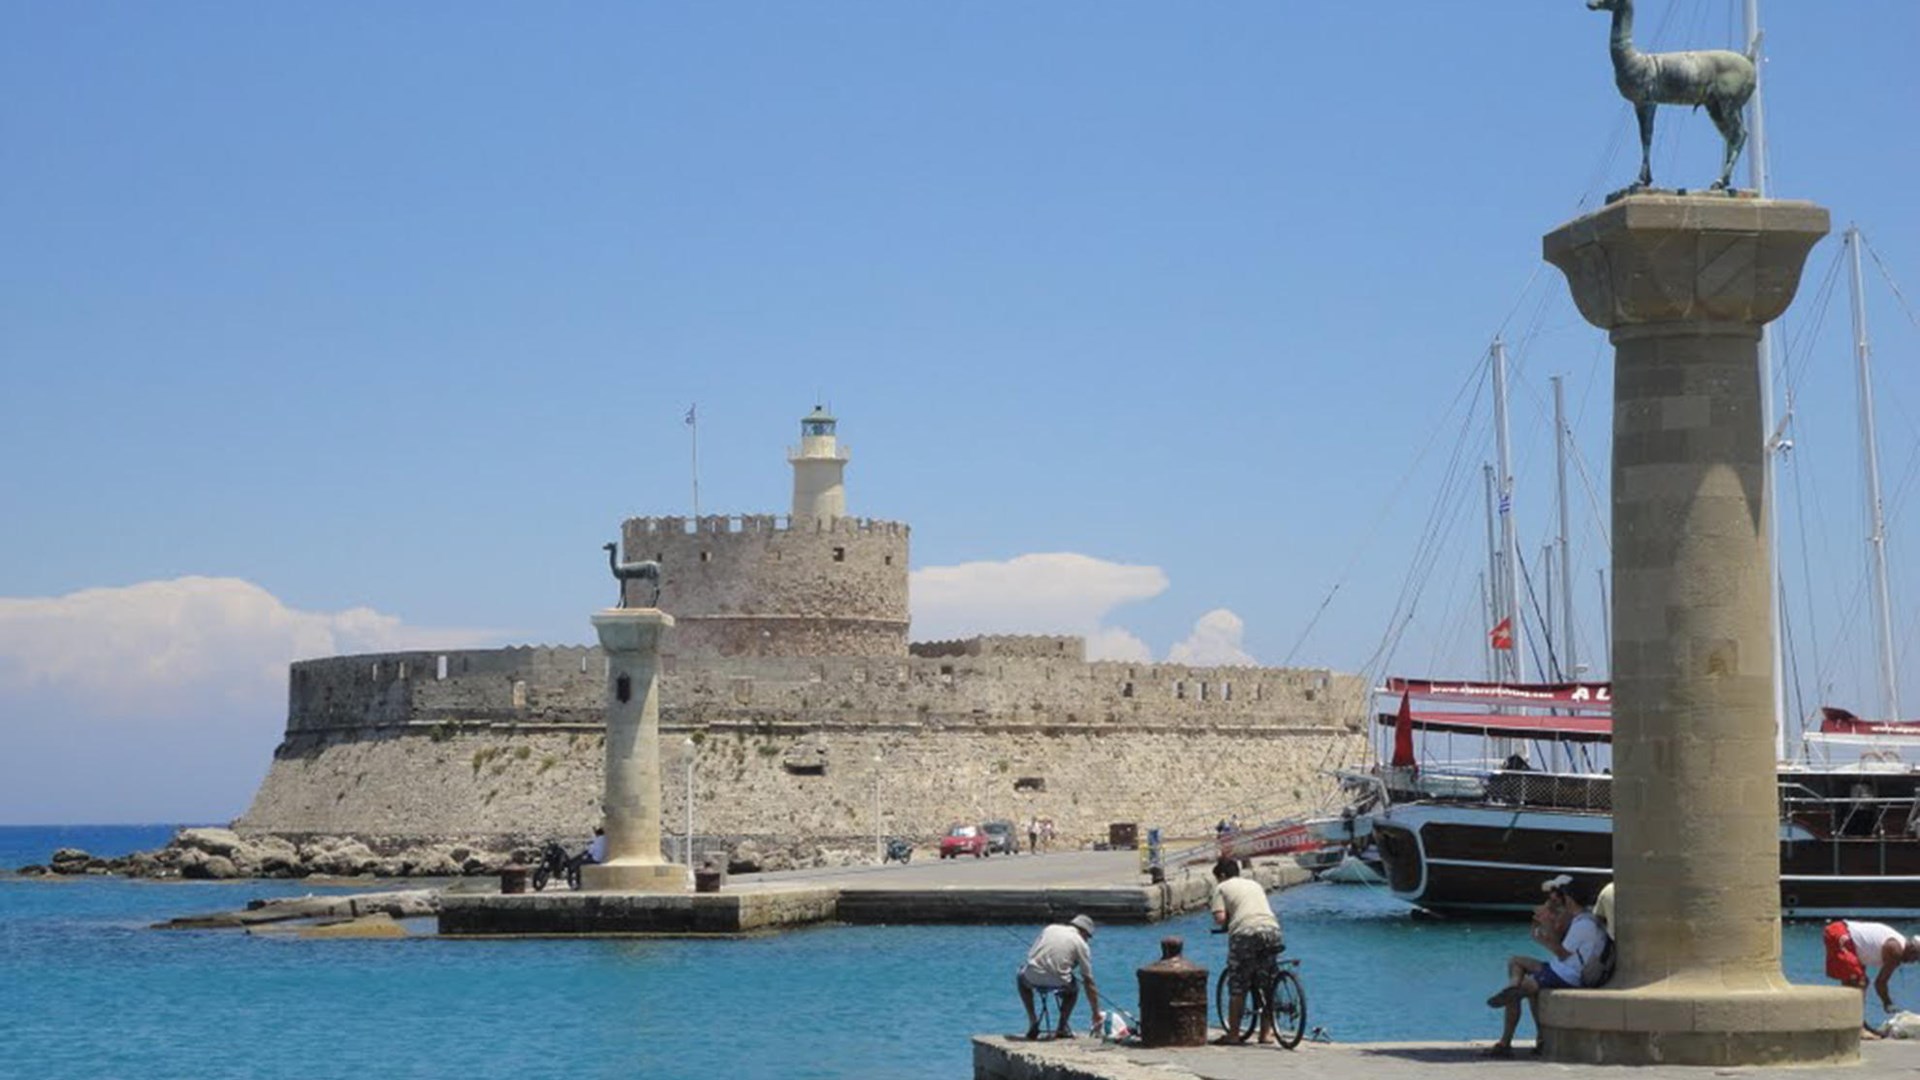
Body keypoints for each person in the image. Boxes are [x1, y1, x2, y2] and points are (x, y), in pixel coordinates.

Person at [1484, 876, 1607, 1058]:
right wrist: (1545, 931)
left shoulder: (1583, 924)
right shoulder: (1583, 919)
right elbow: (1564, 951)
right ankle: (1514, 988)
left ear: (1570, 899)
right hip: (1559, 968)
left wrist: (1544, 935)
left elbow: (1562, 953)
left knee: (1517, 993)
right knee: (1515, 961)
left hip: (1566, 975)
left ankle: (1505, 1042)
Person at [1210, 856, 1284, 1045]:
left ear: (1223, 875)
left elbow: (1219, 918)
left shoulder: (1221, 888)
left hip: (1245, 933)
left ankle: (1233, 1034)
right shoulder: (1254, 884)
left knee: (1238, 984)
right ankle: (1265, 1034)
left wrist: (1227, 923)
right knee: (1267, 982)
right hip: (1272, 930)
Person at [1823, 919, 1920, 1034]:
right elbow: (1880, 983)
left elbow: (1867, 948)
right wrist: (1887, 1003)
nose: (1913, 962)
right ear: (1913, 950)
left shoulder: (1898, 944)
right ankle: (1857, 1028)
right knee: (1859, 983)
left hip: (1847, 937)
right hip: (1841, 934)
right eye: (1916, 958)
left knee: (1857, 981)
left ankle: (1854, 1024)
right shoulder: (1895, 950)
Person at [1016, 914, 1101, 1040]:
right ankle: (1061, 1027)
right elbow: (1088, 980)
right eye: (1087, 937)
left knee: (1020, 977)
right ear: (1083, 931)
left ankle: (1033, 1020)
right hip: (1059, 982)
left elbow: (1031, 955)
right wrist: (1095, 1012)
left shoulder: (1050, 929)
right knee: (1073, 990)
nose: (1087, 940)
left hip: (1032, 977)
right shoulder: (1081, 944)